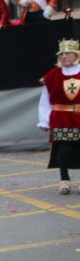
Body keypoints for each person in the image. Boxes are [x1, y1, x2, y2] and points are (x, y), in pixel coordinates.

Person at [37, 39, 80, 194]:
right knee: (63, 150)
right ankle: (64, 179)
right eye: (61, 53)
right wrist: (44, 120)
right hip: (60, 117)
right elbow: (45, 100)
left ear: (76, 55)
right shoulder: (53, 75)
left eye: (68, 53)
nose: (64, 56)